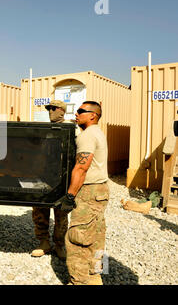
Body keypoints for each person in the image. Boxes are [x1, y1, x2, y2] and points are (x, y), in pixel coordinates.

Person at [60, 101, 109, 285]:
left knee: (77, 239)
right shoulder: (98, 132)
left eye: (81, 111)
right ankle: (96, 276)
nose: (76, 114)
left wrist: (70, 196)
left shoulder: (87, 135)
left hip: (89, 191)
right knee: (97, 235)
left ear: (93, 115)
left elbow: (81, 168)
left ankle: (79, 282)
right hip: (101, 189)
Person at [31, 100, 76, 260]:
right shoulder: (45, 129)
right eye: (49, 108)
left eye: (53, 108)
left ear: (62, 111)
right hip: (43, 177)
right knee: (39, 211)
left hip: (62, 179)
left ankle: (59, 244)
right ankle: (43, 242)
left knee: (61, 214)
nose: (50, 111)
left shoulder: (72, 129)